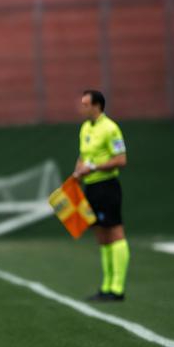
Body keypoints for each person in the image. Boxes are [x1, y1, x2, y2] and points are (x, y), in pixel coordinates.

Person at [73, 89, 129, 301]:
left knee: (115, 233)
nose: (82, 108)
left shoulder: (111, 128)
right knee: (100, 235)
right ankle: (106, 286)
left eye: (86, 104)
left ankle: (117, 288)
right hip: (91, 188)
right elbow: (83, 156)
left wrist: (94, 167)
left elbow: (121, 159)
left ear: (97, 106)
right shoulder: (85, 127)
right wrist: (77, 173)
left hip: (107, 186)